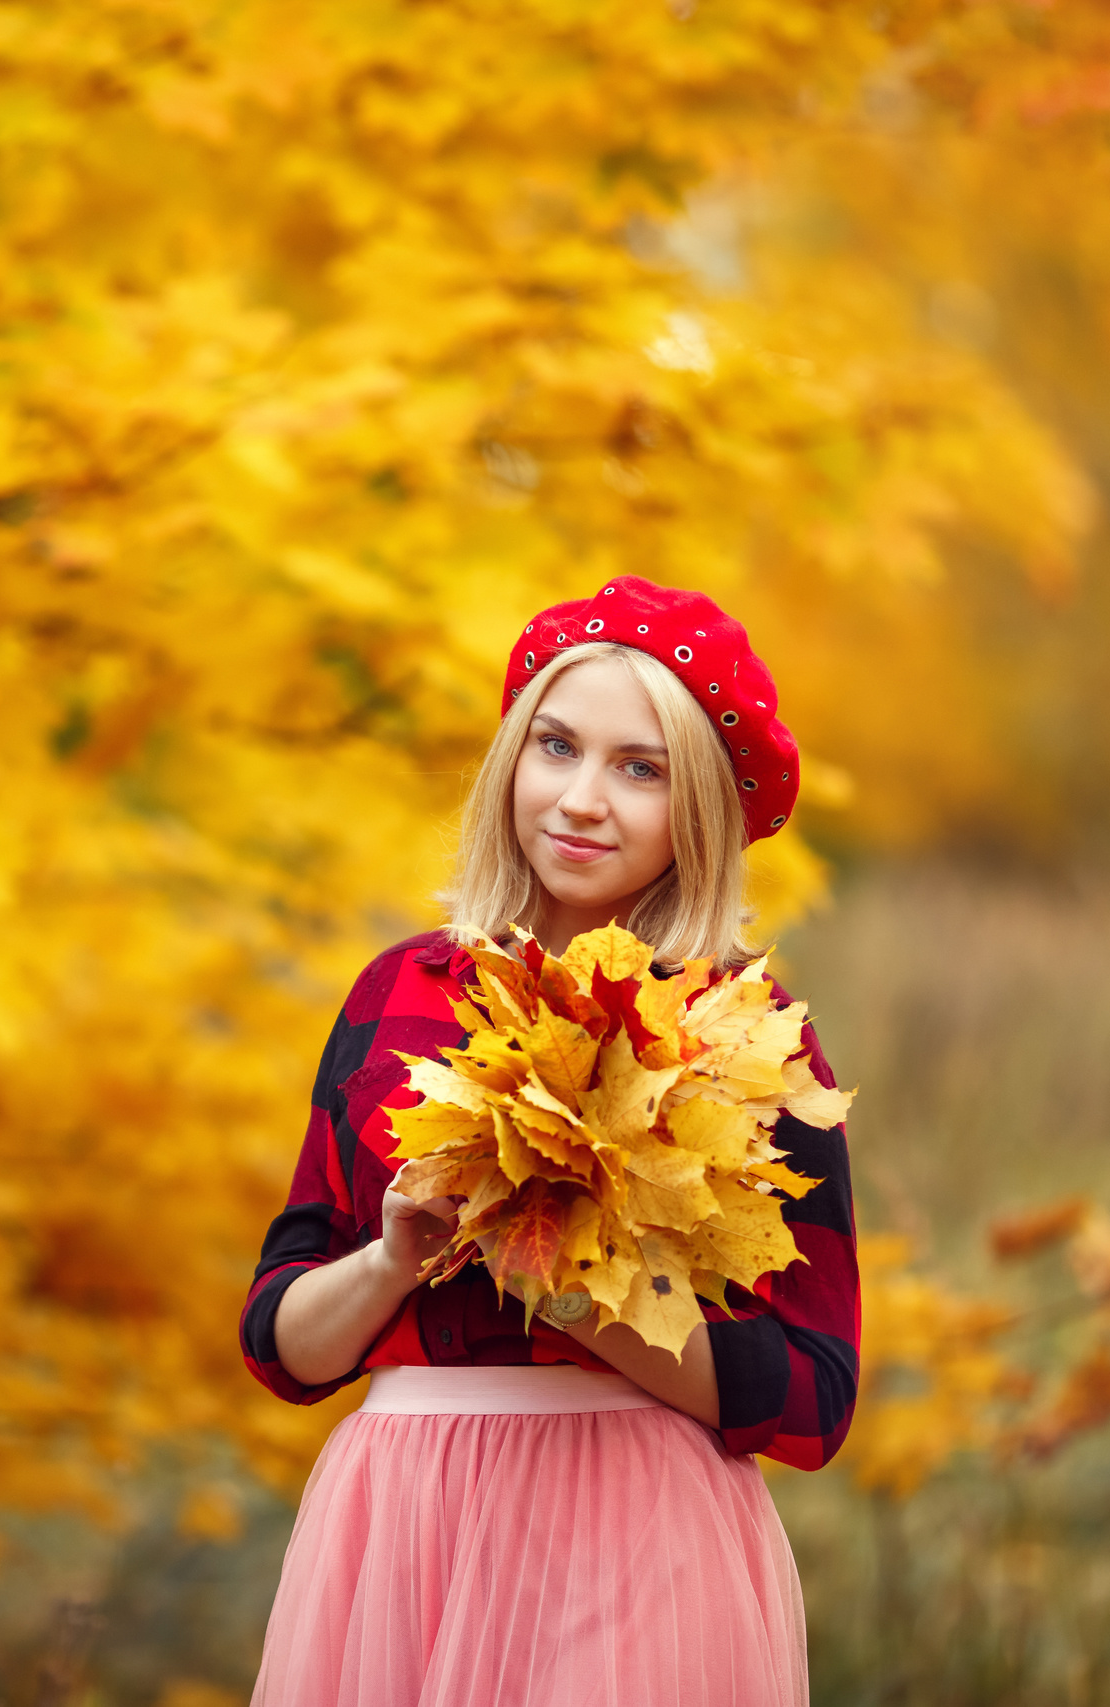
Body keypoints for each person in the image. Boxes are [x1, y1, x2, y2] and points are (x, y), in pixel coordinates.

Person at [239, 577, 858, 1707]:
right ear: (510, 761)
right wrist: (389, 1260)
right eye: (556, 747)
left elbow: (818, 1397)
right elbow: (281, 1348)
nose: (580, 799)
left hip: (635, 1527)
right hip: (400, 1527)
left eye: (640, 768)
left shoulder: (750, 1044)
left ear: (698, 810)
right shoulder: (398, 995)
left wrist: (578, 1298)